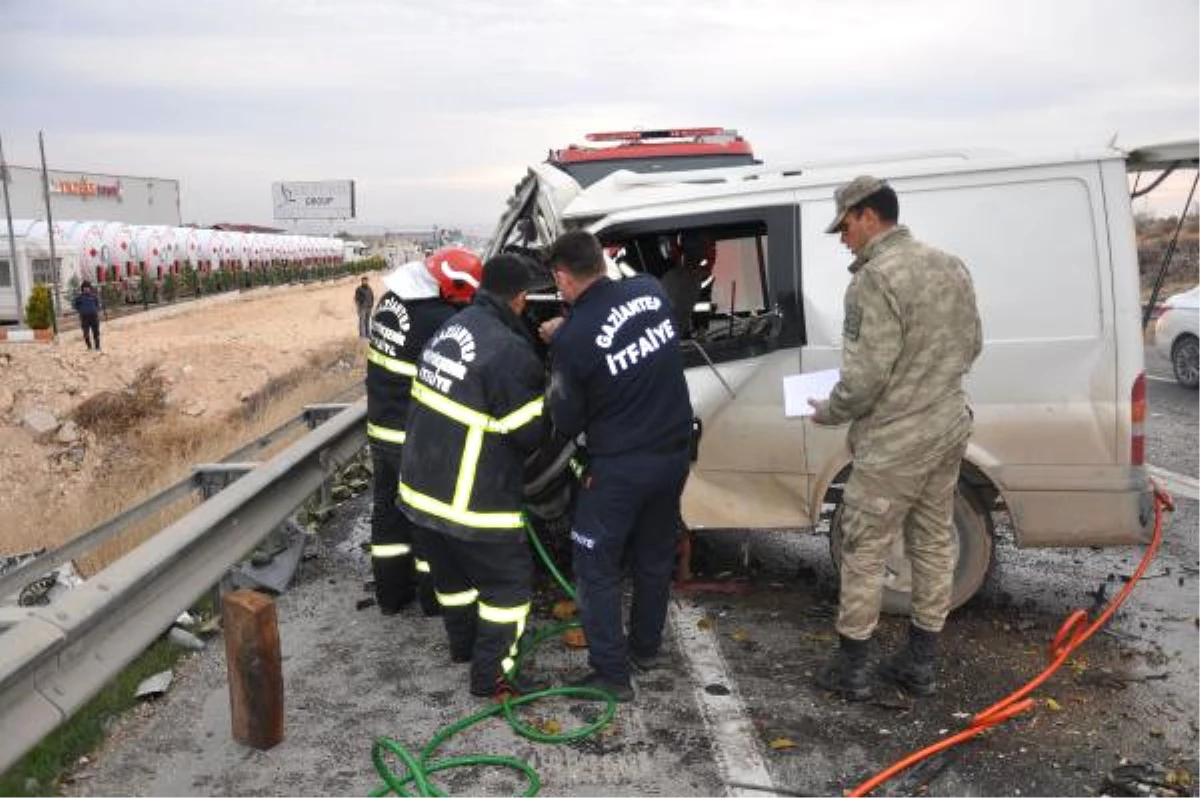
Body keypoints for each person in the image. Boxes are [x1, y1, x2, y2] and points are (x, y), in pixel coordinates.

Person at [807, 176, 983, 700]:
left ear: (866, 215)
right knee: (931, 542)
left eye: (844, 226)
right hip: (948, 423)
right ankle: (920, 662)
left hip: (897, 438)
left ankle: (853, 668)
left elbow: (864, 378)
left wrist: (830, 411)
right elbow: (973, 345)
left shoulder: (873, 280)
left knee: (864, 545)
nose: (843, 238)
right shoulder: (950, 264)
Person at [539, 230, 693, 703]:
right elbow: (625, 331)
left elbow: (565, 419)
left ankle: (610, 673)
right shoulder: (649, 290)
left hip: (619, 468)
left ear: (563, 279)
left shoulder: (575, 338)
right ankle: (645, 647)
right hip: (674, 455)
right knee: (652, 556)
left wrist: (558, 342)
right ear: (602, 262)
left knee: (596, 566)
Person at [398, 254, 547, 699]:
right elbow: (528, 434)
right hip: (470, 502)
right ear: (520, 299)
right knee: (509, 590)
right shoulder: (509, 350)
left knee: (456, 584)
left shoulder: (453, 326)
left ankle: (464, 649)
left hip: (420, 492)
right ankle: (491, 677)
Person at [365, 247, 482, 617]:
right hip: (411, 436)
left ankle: (391, 596)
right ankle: (434, 600)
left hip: (381, 426)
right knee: (425, 520)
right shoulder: (434, 317)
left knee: (387, 513)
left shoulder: (391, 301)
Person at [659, 231, 715, 339]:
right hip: (685, 276)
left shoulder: (704, 241)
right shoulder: (677, 235)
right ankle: (690, 333)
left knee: (701, 304)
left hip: (699, 277)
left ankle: (700, 332)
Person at [73, 280, 103, 351]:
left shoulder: (94, 296)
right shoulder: (79, 298)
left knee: (96, 333)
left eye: (88, 287)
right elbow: (75, 306)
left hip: (94, 317)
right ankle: (89, 347)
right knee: (86, 333)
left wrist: (95, 310)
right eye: (84, 287)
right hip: (84, 318)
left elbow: (97, 305)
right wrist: (81, 311)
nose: (86, 289)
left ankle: (97, 347)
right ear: (82, 289)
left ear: (90, 288)